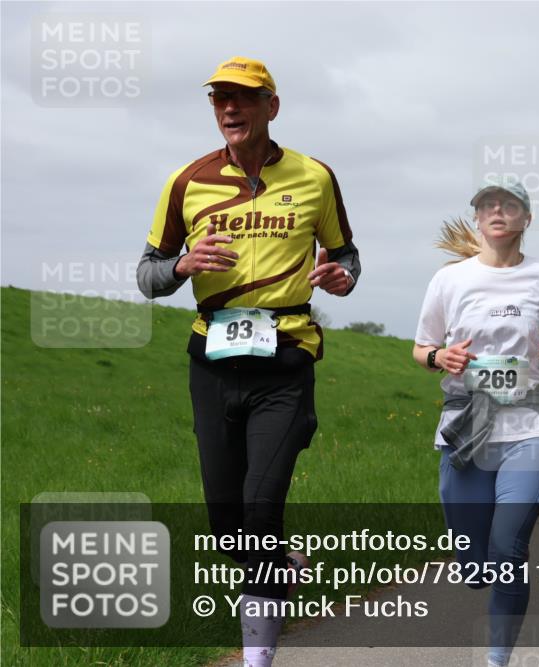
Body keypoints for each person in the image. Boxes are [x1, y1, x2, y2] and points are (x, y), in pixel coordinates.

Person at [136, 57, 361, 667]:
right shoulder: (187, 181)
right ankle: (283, 568)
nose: (230, 110)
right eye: (220, 100)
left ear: (272, 107)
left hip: (286, 360)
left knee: (261, 510)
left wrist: (342, 277)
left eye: (244, 99)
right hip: (211, 364)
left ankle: (257, 660)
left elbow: (346, 254)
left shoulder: (315, 177)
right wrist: (181, 267)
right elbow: (147, 274)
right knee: (227, 525)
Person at [413, 176, 539, 667]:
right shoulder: (450, 280)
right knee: (473, 563)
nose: (496, 210)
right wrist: (439, 358)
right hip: (465, 424)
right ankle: (475, 568)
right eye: (487, 204)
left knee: (509, 549)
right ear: (476, 218)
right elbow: (422, 347)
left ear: (526, 218)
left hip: (527, 424)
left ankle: (496, 659)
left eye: (508, 205)